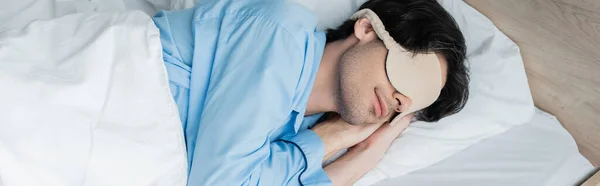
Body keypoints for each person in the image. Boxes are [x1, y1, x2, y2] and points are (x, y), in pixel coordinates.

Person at [152, 0, 468, 185]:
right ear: (368, 29)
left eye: (413, 103)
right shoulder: (278, 34)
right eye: (409, 75)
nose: (402, 100)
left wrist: (360, 158)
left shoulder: (298, 134)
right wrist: (331, 140)